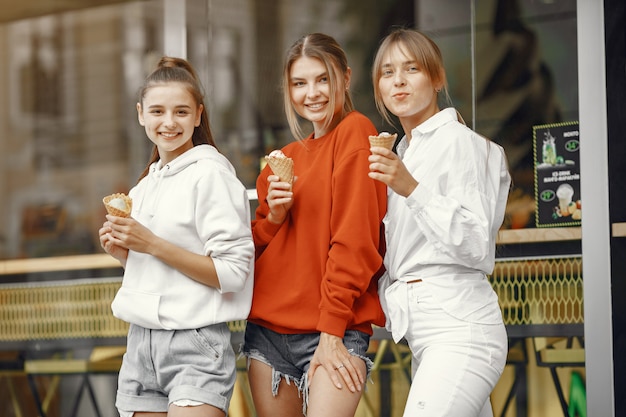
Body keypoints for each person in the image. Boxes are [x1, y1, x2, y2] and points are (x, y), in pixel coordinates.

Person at [98, 56, 254, 417]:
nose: (168, 122)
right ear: (141, 114)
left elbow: (231, 273)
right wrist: (125, 253)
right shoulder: (145, 185)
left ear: (198, 115)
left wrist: (149, 242)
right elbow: (162, 265)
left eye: (181, 112)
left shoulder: (211, 176)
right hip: (140, 342)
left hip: (194, 344)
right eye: (157, 111)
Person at [368, 28, 511, 417]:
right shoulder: (403, 152)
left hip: (461, 331)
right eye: (387, 72)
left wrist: (411, 188)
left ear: (436, 77)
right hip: (426, 335)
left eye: (411, 68)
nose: (398, 80)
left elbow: (477, 243)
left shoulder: (461, 144)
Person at [243, 33, 387, 417]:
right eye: (299, 83)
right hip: (268, 335)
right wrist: (273, 218)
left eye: (323, 79)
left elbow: (355, 241)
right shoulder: (283, 160)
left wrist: (332, 331)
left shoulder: (356, 132)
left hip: (333, 330)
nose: (312, 93)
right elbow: (253, 250)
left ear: (345, 78)